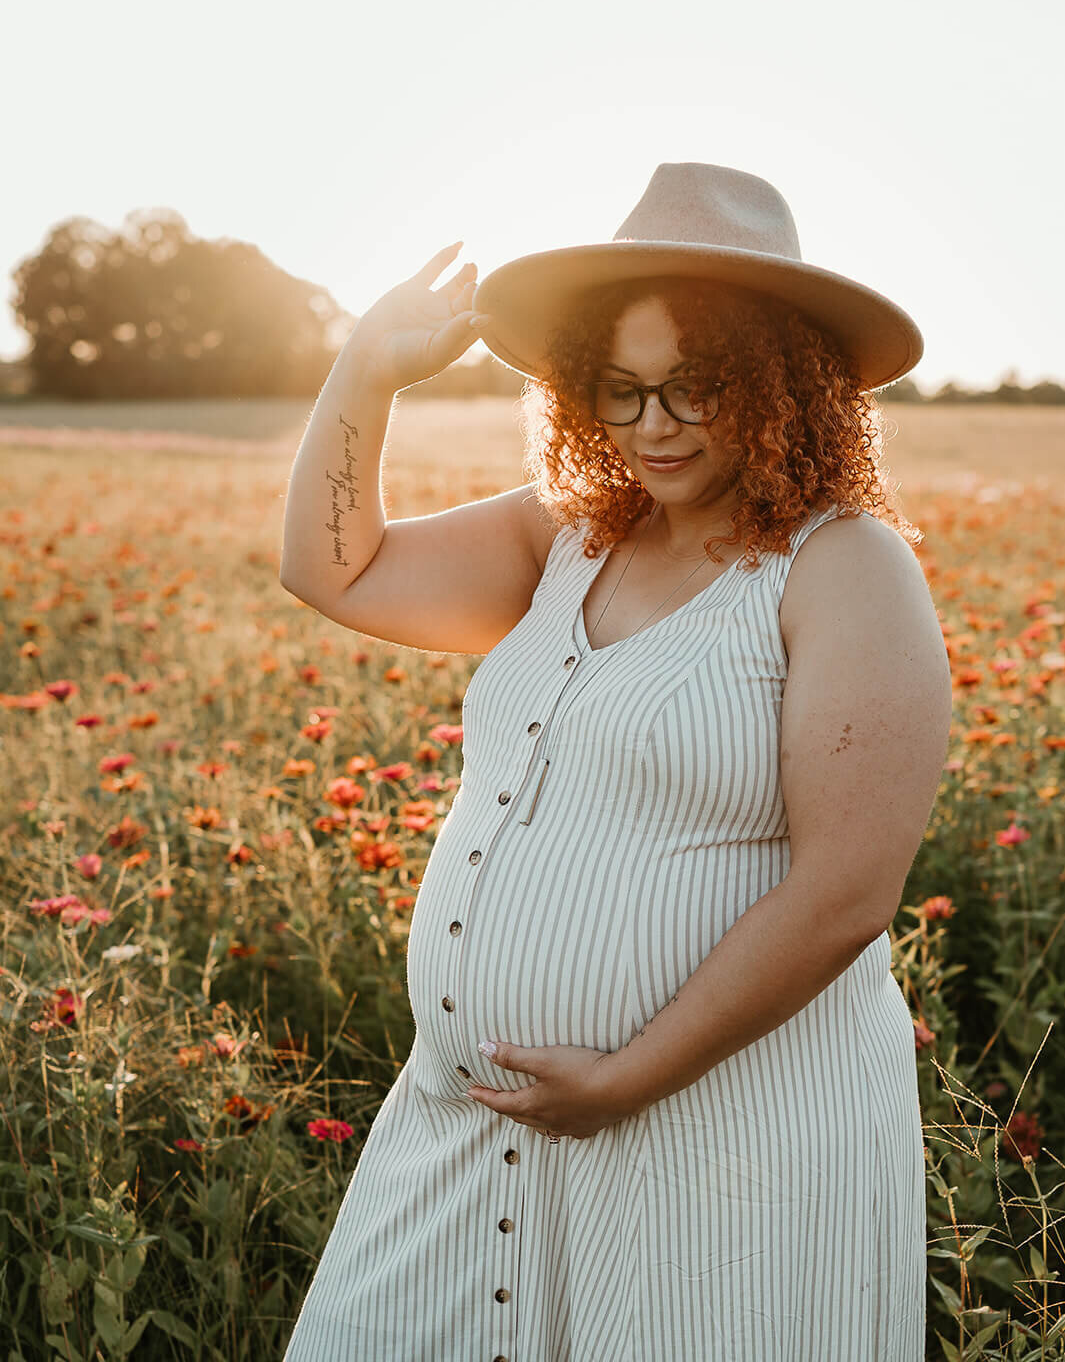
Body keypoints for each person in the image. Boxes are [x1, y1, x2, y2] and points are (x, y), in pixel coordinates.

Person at [278, 162, 952, 1361]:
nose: (654, 425)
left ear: (786, 384)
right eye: (624, 388)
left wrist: (630, 1076)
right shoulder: (568, 535)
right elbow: (339, 570)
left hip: (724, 1140)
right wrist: (362, 372)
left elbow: (848, 889)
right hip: (465, 1126)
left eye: (698, 388)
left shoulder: (845, 567)